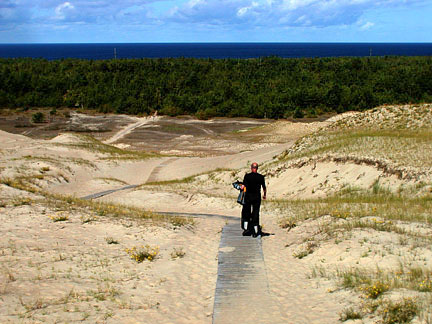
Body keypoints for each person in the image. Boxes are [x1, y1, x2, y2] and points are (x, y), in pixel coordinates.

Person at [241, 162, 266, 237]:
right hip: (257, 197)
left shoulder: (247, 176)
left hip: (248, 197)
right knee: (255, 213)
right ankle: (255, 232)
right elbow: (264, 187)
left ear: (251, 168)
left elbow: (243, 186)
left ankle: (246, 230)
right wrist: (264, 195)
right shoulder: (261, 177)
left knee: (246, 213)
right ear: (257, 168)